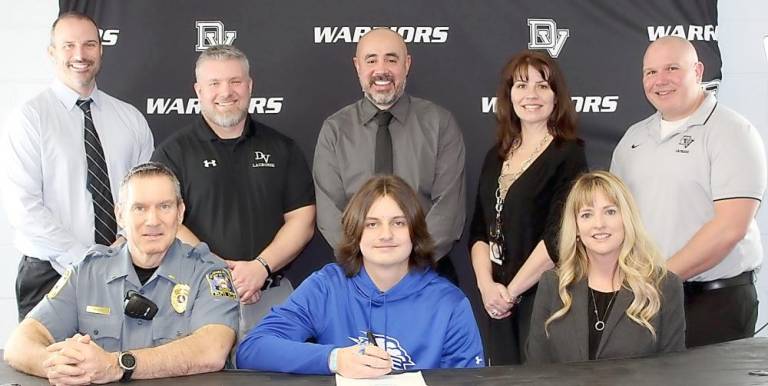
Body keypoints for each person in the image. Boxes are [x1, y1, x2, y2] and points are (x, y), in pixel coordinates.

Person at [3, 162, 239, 383]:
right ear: (120, 215)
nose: (152, 220)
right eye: (139, 208)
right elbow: (20, 343)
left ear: (180, 212)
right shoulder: (87, 272)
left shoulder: (209, 273)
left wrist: (117, 364)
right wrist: (57, 366)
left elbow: (212, 350)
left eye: (164, 207)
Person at [236, 175, 484, 377]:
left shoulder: (449, 303)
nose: (386, 235)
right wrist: (334, 359)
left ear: (415, 232)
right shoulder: (327, 287)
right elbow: (252, 348)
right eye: (372, 224)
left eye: (398, 223)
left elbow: (470, 380)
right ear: (356, 232)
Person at [611, 36, 766, 347]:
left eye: (672, 68)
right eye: (650, 72)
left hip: (715, 301)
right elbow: (616, 218)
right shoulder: (632, 139)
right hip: (647, 302)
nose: (660, 80)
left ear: (697, 70)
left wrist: (658, 279)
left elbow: (729, 228)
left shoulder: (732, 132)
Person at [0, 11, 154, 320]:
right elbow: (23, 208)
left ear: (101, 49)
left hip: (123, 270)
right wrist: (86, 260)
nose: (80, 55)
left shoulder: (130, 119)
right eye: (68, 45)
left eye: (89, 44)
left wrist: (125, 241)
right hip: (50, 275)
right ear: (52, 52)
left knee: (121, 365)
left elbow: (148, 196)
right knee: (51, 366)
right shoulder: (30, 118)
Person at [152, 44, 315, 331]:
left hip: (271, 297)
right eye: (214, 83)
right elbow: (166, 222)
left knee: (277, 377)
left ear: (249, 86)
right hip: (195, 300)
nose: (226, 92)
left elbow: (302, 219)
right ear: (198, 90)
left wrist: (259, 268)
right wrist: (219, 271)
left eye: (235, 81)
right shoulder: (172, 154)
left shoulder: (282, 148)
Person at [313, 28, 465, 283]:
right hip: (358, 278)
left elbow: (448, 212)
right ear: (357, 66)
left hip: (426, 275)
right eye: (371, 60)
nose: (381, 69)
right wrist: (370, 265)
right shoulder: (335, 130)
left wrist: (408, 265)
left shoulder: (440, 124)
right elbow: (330, 213)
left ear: (407, 64)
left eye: (391, 59)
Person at [468, 50, 587, 365]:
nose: (531, 94)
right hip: (497, 302)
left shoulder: (569, 154)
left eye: (542, 86)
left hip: (545, 299)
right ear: (509, 95)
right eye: (521, 85)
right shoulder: (496, 155)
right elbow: (479, 230)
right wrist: (486, 287)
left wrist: (512, 291)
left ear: (556, 96)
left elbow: (559, 236)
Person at [526, 171, 685, 363]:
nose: (599, 224)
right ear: (576, 228)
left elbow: (673, 372)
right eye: (587, 215)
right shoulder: (552, 284)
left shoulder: (665, 285)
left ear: (627, 219)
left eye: (610, 211)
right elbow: (536, 368)